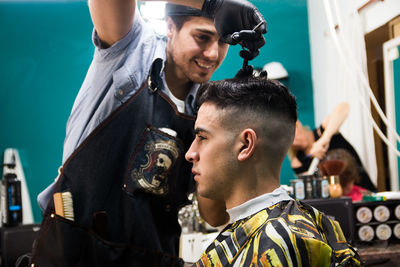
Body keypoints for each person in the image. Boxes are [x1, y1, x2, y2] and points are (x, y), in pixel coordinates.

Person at [30, 0, 266, 266]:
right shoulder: (131, 50)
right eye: (202, 37)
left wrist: (232, 150)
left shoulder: (206, 108)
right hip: (79, 252)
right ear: (169, 26)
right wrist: (212, 4)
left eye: (222, 42)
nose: (212, 53)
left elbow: (214, 216)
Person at [185, 75, 362, 266]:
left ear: (246, 144)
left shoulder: (281, 242)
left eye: (202, 137)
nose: (190, 153)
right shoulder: (278, 227)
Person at [289, 102, 376, 192]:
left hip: (365, 190)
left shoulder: (323, 131)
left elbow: (344, 107)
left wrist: (324, 139)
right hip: (337, 199)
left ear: (297, 124)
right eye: (289, 140)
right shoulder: (299, 161)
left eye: (293, 134)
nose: (295, 141)